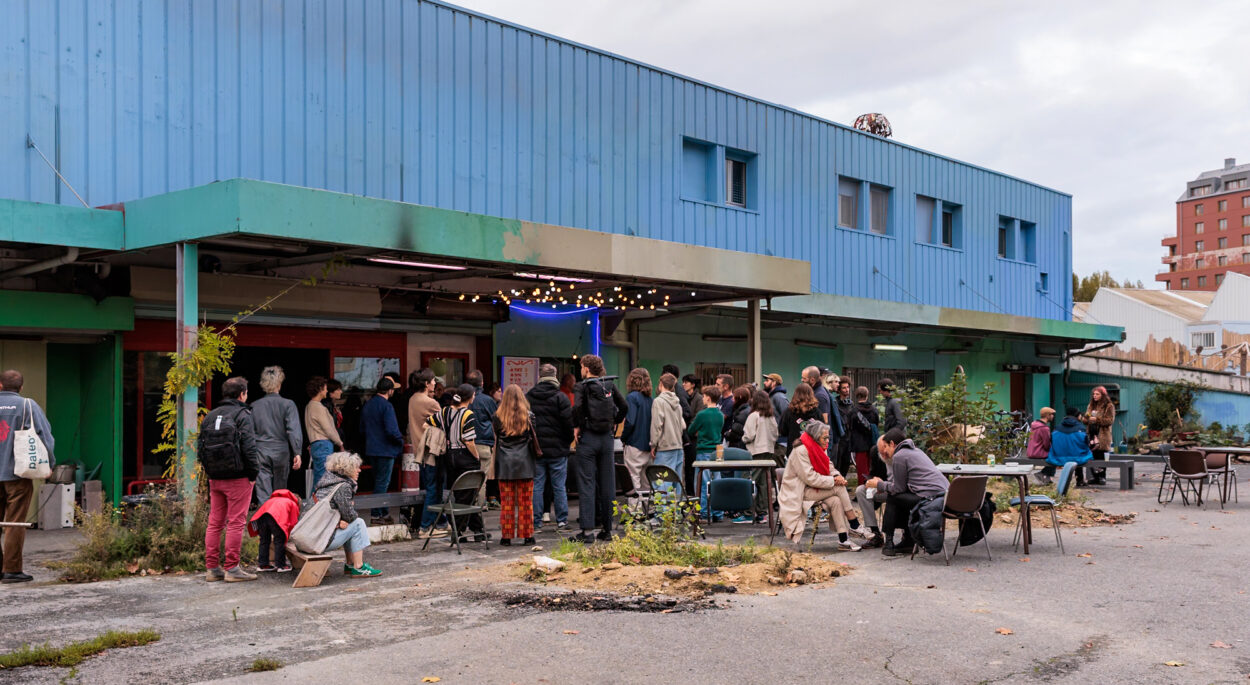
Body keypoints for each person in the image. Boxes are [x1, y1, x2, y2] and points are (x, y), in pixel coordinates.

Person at [200, 376, 262, 583]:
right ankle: (232, 568)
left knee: (215, 522)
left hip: (215, 477)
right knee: (236, 522)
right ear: (242, 393)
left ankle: (212, 568)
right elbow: (249, 447)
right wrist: (253, 473)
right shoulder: (242, 414)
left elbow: (200, 449)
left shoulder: (210, 416)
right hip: (238, 476)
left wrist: (210, 472)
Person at [0, 370, 55, 583]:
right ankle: (12, 570)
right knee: (14, 523)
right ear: (20, 388)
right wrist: (49, 465)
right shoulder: (27, 406)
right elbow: (46, 437)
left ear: (1, 386)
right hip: (18, 475)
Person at [777, 421, 866, 551]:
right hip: (800, 491)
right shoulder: (800, 450)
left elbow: (829, 466)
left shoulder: (817, 447)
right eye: (825, 437)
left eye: (828, 437)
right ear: (815, 437)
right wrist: (834, 481)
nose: (828, 440)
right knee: (838, 488)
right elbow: (810, 478)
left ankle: (844, 540)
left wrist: (836, 476)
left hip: (814, 488)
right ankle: (854, 524)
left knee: (835, 500)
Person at [864, 428, 949, 557]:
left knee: (893, 497)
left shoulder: (899, 455)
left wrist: (879, 484)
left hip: (930, 498)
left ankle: (889, 543)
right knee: (901, 498)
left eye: (886, 446)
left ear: (892, 444)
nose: (884, 451)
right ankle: (908, 540)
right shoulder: (916, 451)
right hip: (945, 496)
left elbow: (898, 489)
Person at [569, 355, 627, 543]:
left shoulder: (582, 386)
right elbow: (624, 406)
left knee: (587, 483)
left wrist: (577, 426)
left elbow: (577, 407)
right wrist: (614, 421)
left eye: (581, 367)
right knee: (608, 483)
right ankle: (607, 529)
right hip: (607, 439)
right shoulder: (609, 384)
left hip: (588, 438)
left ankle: (587, 532)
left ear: (586, 368)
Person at [428, 384, 487, 541]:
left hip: (449, 457)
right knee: (467, 495)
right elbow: (469, 441)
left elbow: (428, 423)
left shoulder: (445, 410)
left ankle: (477, 530)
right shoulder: (468, 414)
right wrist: (476, 457)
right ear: (470, 397)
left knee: (465, 494)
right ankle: (458, 531)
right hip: (465, 457)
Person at [315, 452, 382, 577]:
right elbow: (350, 515)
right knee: (358, 523)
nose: (359, 470)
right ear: (347, 469)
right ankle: (359, 566)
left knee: (349, 524)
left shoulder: (326, 482)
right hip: (321, 540)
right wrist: (343, 519)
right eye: (356, 467)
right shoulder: (343, 486)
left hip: (314, 535)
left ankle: (350, 564)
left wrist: (341, 520)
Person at [527, 364, 575, 533]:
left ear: (540, 376)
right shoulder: (560, 397)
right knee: (559, 486)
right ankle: (562, 521)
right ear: (554, 376)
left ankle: (536, 521)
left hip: (537, 449)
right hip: (558, 450)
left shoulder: (530, 396)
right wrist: (567, 442)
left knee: (538, 485)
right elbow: (568, 425)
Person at [250, 366, 303, 507]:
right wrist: (297, 452)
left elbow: (249, 432)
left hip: (260, 451)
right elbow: (293, 429)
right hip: (281, 451)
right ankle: (279, 522)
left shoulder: (254, 406)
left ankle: (265, 524)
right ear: (279, 384)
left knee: (263, 492)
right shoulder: (288, 404)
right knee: (280, 491)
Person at [492, 385, 539, 546]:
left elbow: (497, 435)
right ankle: (527, 535)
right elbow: (533, 436)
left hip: (505, 464)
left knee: (507, 502)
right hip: (525, 462)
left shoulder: (497, 417)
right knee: (526, 502)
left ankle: (506, 536)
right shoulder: (529, 416)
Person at [408, 368, 448, 538]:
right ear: (426, 384)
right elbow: (446, 423)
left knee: (432, 487)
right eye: (432, 381)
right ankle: (426, 526)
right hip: (431, 451)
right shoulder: (430, 402)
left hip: (419, 450)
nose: (435, 383)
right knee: (434, 489)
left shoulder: (413, 399)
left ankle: (440, 522)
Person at [359, 377, 404, 522]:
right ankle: (376, 514)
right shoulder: (387, 406)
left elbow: (362, 428)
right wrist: (400, 440)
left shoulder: (368, 405)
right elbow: (392, 430)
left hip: (371, 448)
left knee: (379, 481)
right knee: (382, 483)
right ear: (390, 390)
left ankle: (383, 512)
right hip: (385, 449)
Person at [686, 386, 726, 520]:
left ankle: (703, 512)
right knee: (717, 482)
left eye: (704, 396)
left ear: (708, 397)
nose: (702, 398)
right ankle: (718, 513)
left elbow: (691, 430)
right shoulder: (720, 415)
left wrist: (699, 432)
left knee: (702, 483)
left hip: (703, 450)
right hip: (717, 451)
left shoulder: (702, 415)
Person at [740, 389, 778, 524]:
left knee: (748, 481)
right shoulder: (770, 416)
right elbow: (775, 434)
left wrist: (743, 439)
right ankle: (762, 513)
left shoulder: (753, 416)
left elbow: (749, 435)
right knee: (764, 483)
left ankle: (748, 513)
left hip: (755, 451)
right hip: (768, 451)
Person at [466, 370, 499, 508]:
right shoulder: (488, 400)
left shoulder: (461, 399)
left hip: (465, 444)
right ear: (482, 383)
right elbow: (497, 422)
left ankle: (466, 507)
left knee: (466, 479)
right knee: (481, 479)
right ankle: (478, 509)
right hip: (484, 444)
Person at [620, 367, 654, 504]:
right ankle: (648, 511)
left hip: (634, 443)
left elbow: (630, 421)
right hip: (648, 444)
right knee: (646, 482)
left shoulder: (632, 397)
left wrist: (623, 437)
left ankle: (635, 513)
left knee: (633, 479)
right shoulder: (650, 399)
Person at [248, 489, 301, 573]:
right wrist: (288, 536)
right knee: (279, 540)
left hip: (261, 518)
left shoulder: (272, 500)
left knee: (264, 541)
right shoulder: (292, 503)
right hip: (276, 518)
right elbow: (293, 523)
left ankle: (263, 565)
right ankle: (281, 565)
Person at [305, 376, 343, 490]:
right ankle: (315, 506)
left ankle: (314, 505)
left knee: (320, 479)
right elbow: (329, 429)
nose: (327, 391)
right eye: (325, 388)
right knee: (322, 481)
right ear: (320, 389)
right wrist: (340, 443)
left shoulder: (310, 406)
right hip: (323, 445)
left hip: (317, 445)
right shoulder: (318, 407)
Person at [650, 373, 687, 485]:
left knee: (662, 483)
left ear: (661, 384)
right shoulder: (678, 403)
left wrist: (653, 444)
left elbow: (657, 425)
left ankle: (663, 504)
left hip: (665, 447)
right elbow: (683, 425)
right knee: (677, 482)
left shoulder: (658, 401)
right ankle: (676, 503)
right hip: (678, 447)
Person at [1047, 407, 1094, 486]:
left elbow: (1052, 442)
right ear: (1077, 415)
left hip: (1058, 457)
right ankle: (1080, 480)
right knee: (1079, 452)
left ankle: (1080, 480)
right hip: (1078, 458)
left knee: (1075, 451)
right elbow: (1085, 444)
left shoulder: (1057, 428)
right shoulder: (1081, 428)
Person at [1082, 386, 1116, 486]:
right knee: (1092, 455)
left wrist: (1096, 420)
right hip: (1091, 434)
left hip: (1102, 435)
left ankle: (1102, 477)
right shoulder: (1090, 405)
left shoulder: (1109, 406)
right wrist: (1087, 418)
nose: (1095, 396)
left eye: (1097, 394)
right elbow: (1085, 419)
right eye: (1094, 394)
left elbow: (1110, 421)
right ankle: (1094, 477)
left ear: (1103, 395)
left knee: (1101, 456)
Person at [848, 386, 880, 485]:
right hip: (872, 443)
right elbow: (876, 424)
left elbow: (850, 426)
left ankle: (862, 489)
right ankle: (871, 488)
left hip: (859, 444)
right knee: (871, 468)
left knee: (861, 470)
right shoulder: (874, 410)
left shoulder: (853, 411)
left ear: (856, 396)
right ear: (867, 395)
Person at [779, 383, 822, 456]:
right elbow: (822, 431)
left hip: (794, 451)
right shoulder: (817, 412)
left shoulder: (789, 412)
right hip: (813, 451)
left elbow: (782, 430)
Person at [1027, 407, 1057, 485]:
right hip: (1038, 452)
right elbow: (1046, 445)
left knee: (1053, 455)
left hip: (1031, 451)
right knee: (1055, 457)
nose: (1053, 416)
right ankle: (1043, 474)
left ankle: (1046, 477)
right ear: (1048, 415)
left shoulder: (1034, 425)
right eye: (1052, 415)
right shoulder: (1044, 428)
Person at [834, 378, 856, 476]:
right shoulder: (835, 403)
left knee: (847, 461)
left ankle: (843, 480)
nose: (846, 390)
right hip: (840, 437)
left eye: (847, 387)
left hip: (849, 436)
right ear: (839, 390)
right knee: (838, 460)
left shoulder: (850, 404)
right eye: (844, 388)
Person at [722, 386, 751, 451]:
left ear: (739, 397)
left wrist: (727, 433)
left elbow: (735, 433)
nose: (732, 399)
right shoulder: (743, 410)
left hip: (739, 447)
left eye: (734, 397)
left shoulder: (742, 413)